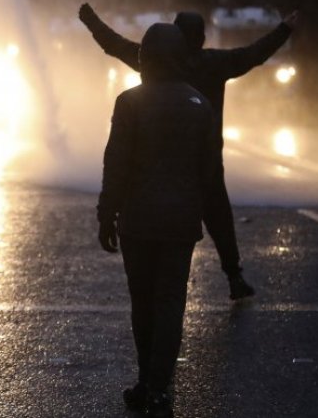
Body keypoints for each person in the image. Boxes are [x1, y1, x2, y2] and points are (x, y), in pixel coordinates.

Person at [79, 3, 298, 299]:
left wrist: (91, 20)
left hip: (155, 163)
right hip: (204, 162)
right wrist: (284, 29)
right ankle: (234, 276)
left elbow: (114, 44)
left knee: (154, 220)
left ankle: (157, 280)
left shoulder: (152, 61)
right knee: (220, 218)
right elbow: (255, 54)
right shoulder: (216, 63)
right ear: (202, 37)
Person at [98, 23, 214, 417]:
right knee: (170, 302)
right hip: (181, 222)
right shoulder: (199, 103)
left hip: (139, 219)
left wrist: (106, 213)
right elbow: (209, 172)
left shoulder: (129, 102)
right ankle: (160, 387)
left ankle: (146, 380)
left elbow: (116, 162)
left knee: (142, 302)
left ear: (145, 58)